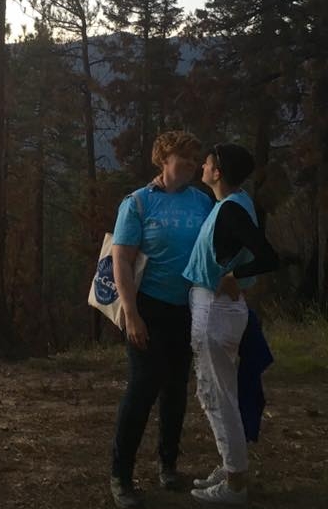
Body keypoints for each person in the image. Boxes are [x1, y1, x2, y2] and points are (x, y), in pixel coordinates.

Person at [110, 131, 214, 509]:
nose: (191, 165)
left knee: (175, 390)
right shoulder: (138, 203)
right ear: (164, 158)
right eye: (184, 159)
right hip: (148, 308)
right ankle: (121, 475)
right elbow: (121, 260)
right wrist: (132, 314)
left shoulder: (200, 201)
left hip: (188, 307)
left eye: (194, 159)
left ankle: (168, 465)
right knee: (141, 390)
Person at [183, 143, 278, 505]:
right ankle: (231, 466)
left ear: (217, 172)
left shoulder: (230, 212)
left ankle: (236, 484)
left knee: (217, 397)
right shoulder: (236, 203)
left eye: (207, 163)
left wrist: (235, 275)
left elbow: (267, 256)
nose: (202, 167)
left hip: (216, 311)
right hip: (219, 309)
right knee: (220, 394)